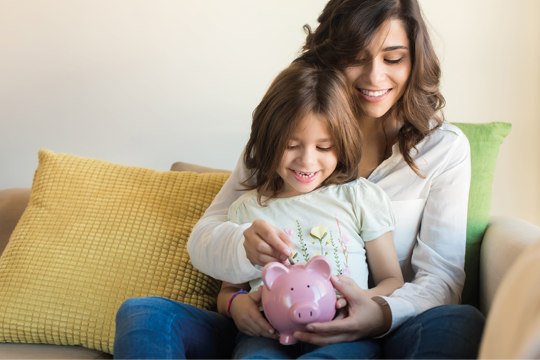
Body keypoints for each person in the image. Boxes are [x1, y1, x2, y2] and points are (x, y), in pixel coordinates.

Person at [187, 0, 485, 359]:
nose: (375, 77)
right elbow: (206, 237)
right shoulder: (283, 141)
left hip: (396, 321)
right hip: (280, 323)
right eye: (356, 57)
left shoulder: (444, 149)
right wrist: (241, 261)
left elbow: (441, 278)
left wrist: (380, 313)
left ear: (415, 60)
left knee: (460, 321)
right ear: (328, 56)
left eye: (393, 59)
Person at [217, 62, 404, 359]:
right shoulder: (246, 209)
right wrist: (235, 305)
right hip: (268, 337)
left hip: (344, 334)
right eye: (292, 145)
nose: (307, 161)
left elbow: (393, 280)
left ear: (342, 145)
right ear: (268, 141)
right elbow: (229, 290)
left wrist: (359, 302)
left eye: (324, 147)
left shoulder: (358, 197)